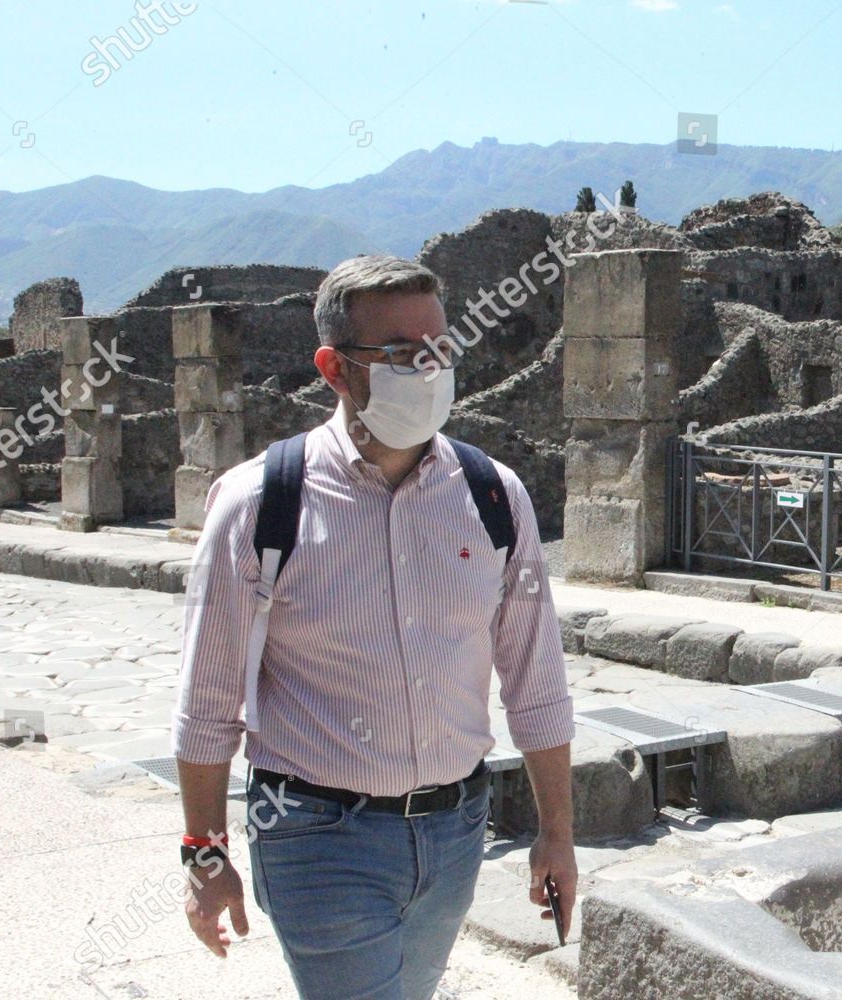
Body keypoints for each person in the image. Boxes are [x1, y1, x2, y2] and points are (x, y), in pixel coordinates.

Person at [171, 255, 577, 1000]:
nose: (427, 370)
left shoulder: (493, 495)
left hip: (456, 833)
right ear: (334, 368)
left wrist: (558, 833)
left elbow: (536, 679)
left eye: (439, 350)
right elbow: (207, 702)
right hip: (319, 835)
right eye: (399, 355)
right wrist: (205, 854)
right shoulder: (260, 503)